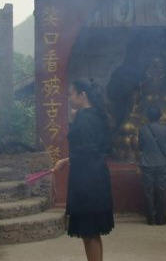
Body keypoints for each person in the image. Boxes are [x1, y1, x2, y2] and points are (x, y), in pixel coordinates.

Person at [53, 79, 114, 261]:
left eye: (71, 94)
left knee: (89, 232)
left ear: (82, 95)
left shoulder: (84, 117)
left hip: (87, 182)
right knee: (93, 232)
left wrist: (73, 120)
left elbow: (85, 149)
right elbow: (89, 149)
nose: (69, 98)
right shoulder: (96, 115)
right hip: (96, 177)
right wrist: (66, 160)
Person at [138, 105, 166, 225]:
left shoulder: (142, 130)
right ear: (159, 116)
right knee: (162, 192)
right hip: (163, 163)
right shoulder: (165, 129)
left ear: (148, 117)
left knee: (148, 192)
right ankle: (162, 219)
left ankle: (151, 220)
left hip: (147, 164)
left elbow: (141, 147)